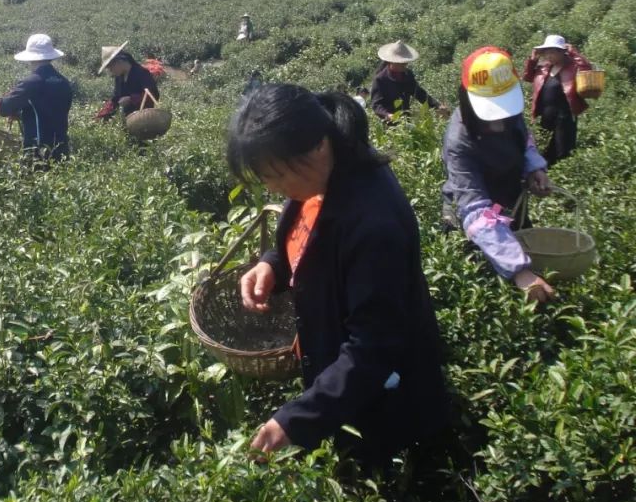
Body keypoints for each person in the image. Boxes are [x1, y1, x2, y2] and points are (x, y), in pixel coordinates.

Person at [229, 84, 448, 465]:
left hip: (382, 398)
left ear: (317, 146)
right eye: (266, 178)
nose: (274, 188)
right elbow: (306, 243)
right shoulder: (318, 183)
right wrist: (272, 265)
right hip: (339, 380)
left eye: (276, 175)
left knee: (370, 470)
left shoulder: (372, 223)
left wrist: (295, 419)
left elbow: (373, 350)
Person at [442, 47, 555, 303]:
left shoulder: (511, 110)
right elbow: (474, 209)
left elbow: (524, 139)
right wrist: (518, 269)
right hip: (474, 219)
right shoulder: (459, 140)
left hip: (509, 201)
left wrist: (534, 168)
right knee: (486, 287)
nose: (499, 120)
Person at [0, 34, 73, 161]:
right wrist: (22, 114)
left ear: (31, 59)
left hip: (38, 152)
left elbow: (3, 108)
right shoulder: (64, 82)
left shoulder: (31, 82)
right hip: (61, 150)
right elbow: (47, 112)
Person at [521, 34, 593, 165]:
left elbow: (587, 70)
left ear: (562, 52)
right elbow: (527, 77)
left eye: (553, 52)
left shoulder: (572, 67)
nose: (549, 56)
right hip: (544, 116)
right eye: (546, 53)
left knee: (563, 151)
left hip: (564, 117)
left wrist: (574, 53)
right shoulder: (543, 68)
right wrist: (532, 60)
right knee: (544, 151)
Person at [370, 41, 444, 122]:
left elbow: (419, 93)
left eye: (405, 62)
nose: (404, 65)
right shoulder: (380, 79)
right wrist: (387, 115)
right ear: (392, 61)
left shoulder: (407, 75)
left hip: (405, 120)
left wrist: (437, 106)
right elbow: (376, 105)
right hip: (387, 124)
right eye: (401, 62)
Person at [96, 41, 159, 119]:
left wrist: (131, 99)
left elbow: (152, 96)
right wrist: (100, 116)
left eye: (110, 67)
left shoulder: (141, 73)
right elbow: (115, 100)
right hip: (127, 120)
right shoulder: (119, 78)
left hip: (144, 119)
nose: (110, 71)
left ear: (119, 61)